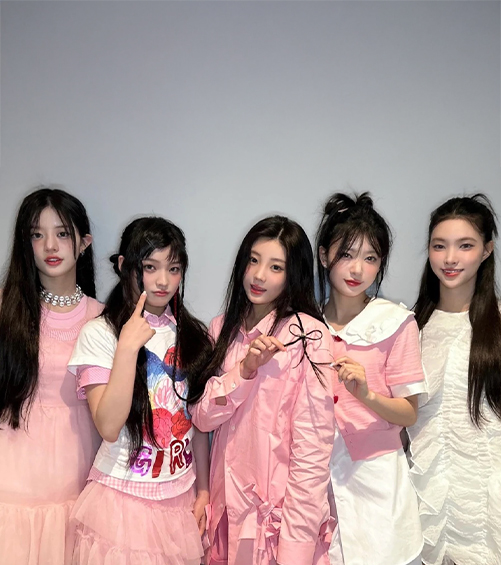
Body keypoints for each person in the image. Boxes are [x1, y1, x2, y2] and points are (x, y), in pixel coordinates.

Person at [66, 217, 212, 565]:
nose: (163, 281)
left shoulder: (192, 335)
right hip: (122, 501)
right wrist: (127, 348)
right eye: (150, 267)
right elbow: (108, 426)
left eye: (173, 269)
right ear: (124, 266)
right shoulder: (100, 333)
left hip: (179, 497)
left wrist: (204, 490)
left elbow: (196, 423)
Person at [191, 215, 336, 565]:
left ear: (293, 274)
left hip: (274, 527)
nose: (258, 275)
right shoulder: (221, 329)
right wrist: (244, 371)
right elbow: (202, 417)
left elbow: (312, 451)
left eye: (275, 267)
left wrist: (295, 549)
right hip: (225, 516)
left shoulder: (308, 336)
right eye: (253, 261)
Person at [316, 192, 425, 565]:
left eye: (370, 258)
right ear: (324, 255)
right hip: (317, 479)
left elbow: (409, 413)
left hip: (376, 479)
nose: (357, 269)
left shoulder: (396, 322)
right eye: (346, 254)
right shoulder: (304, 325)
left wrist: (367, 394)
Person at [0, 187, 102, 565]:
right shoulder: (5, 309)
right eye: (37, 234)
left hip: (82, 480)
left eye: (61, 233)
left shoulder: (104, 318)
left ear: (84, 242)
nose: (50, 246)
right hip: (13, 481)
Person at [408, 194, 501, 565]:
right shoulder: (409, 327)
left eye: (465, 245)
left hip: (487, 498)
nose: (450, 258)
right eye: (439, 246)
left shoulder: (497, 323)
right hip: (426, 496)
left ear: (487, 250)